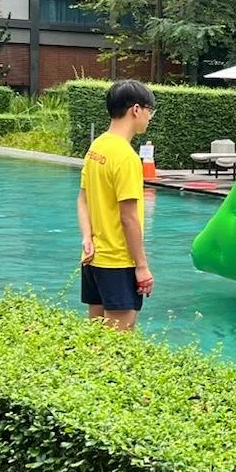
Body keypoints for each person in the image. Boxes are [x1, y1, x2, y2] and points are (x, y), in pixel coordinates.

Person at [76, 79, 156, 332]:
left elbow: (82, 198)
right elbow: (128, 218)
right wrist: (142, 267)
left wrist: (87, 237)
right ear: (136, 109)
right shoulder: (126, 157)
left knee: (96, 336)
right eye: (149, 111)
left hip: (93, 259)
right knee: (117, 343)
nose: (149, 117)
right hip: (118, 262)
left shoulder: (97, 147)